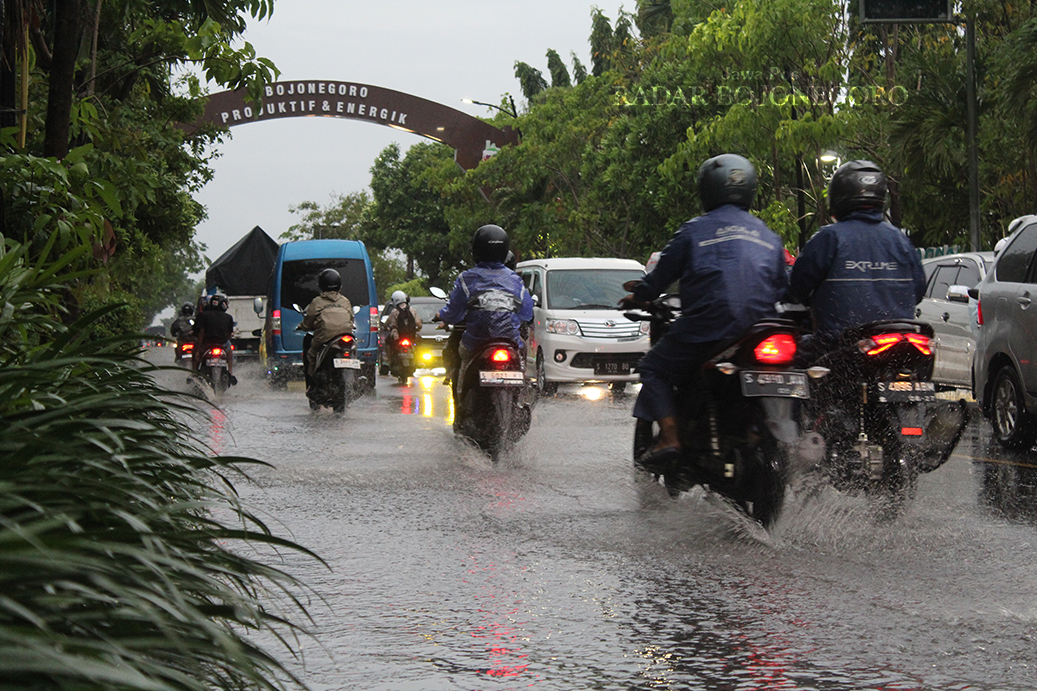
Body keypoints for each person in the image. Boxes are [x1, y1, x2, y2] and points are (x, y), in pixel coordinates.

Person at [619, 153, 788, 466]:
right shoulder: (769, 236)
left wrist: (640, 295)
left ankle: (670, 436)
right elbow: (783, 286)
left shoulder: (694, 231)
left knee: (653, 368)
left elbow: (659, 278)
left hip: (709, 327)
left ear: (707, 189)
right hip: (761, 330)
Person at [787, 160, 926, 347]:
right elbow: (918, 291)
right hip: (898, 343)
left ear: (837, 196)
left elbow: (797, 286)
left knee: (795, 358)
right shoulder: (899, 240)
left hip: (839, 345)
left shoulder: (830, 237)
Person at [436, 225, 534, 400]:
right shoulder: (515, 280)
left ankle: (460, 400)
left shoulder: (467, 279)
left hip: (476, 342)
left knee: (461, 359)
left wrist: (442, 315)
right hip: (510, 341)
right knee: (520, 359)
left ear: (476, 251)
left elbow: (453, 314)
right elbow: (526, 313)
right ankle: (519, 398)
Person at [298, 268, 354, 390]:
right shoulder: (345, 301)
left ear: (321, 285)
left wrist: (302, 326)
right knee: (353, 353)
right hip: (346, 335)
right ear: (339, 285)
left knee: (311, 355)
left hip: (324, 338)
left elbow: (308, 323)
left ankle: (312, 385)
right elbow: (351, 319)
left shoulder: (317, 302)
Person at [192, 293, 237, 385]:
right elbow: (229, 334)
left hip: (206, 344)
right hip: (223, 344)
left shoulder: (202, 316)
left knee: (195, 355)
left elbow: (201, 333)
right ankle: (231, 372)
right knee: (230, 353)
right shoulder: (228, 317)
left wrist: (197, 350)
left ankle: (194, 373)